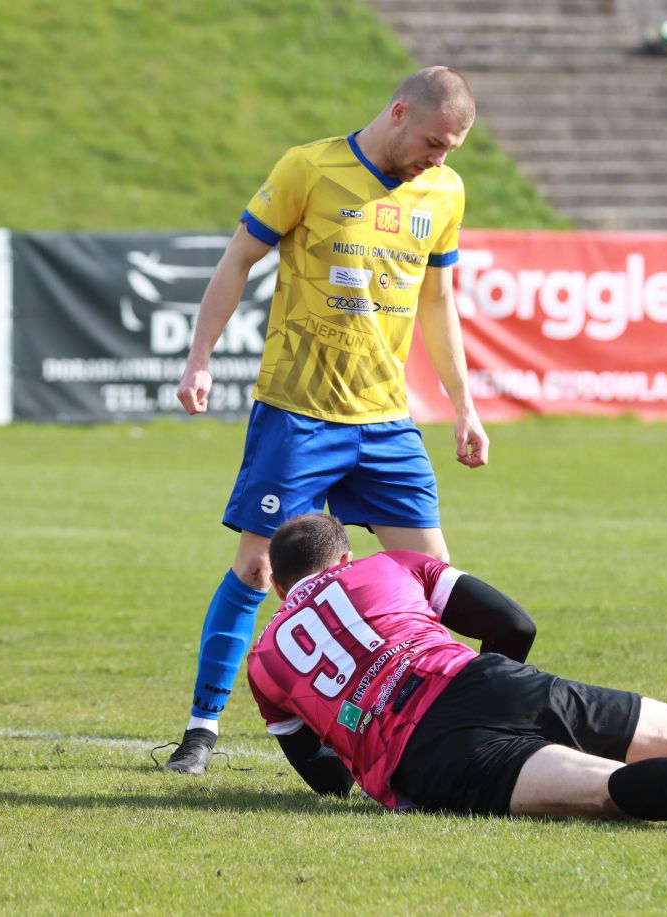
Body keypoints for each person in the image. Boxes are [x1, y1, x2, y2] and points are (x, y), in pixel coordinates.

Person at [161, 67, 499, 775]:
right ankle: (201, 729)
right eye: (433, 142)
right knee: (258, 567)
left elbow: (439, 303)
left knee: (432, 582)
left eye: (451, 149)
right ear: (399, 113)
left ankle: (434, 733)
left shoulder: (443, 192)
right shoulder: (309, 169)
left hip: (386, 422)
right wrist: (200, 358)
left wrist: (464, 406)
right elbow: (239, 258)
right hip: (299, 414)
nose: (439, 159)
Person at [248, 514, 667, 820]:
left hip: (429, 753)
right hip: (482, 679)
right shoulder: (390, 563)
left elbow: (326, 779)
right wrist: (492, 689)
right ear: (344, 557)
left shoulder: (267, 658)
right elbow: (514, 624)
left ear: (279, 585)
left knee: (606, 790)